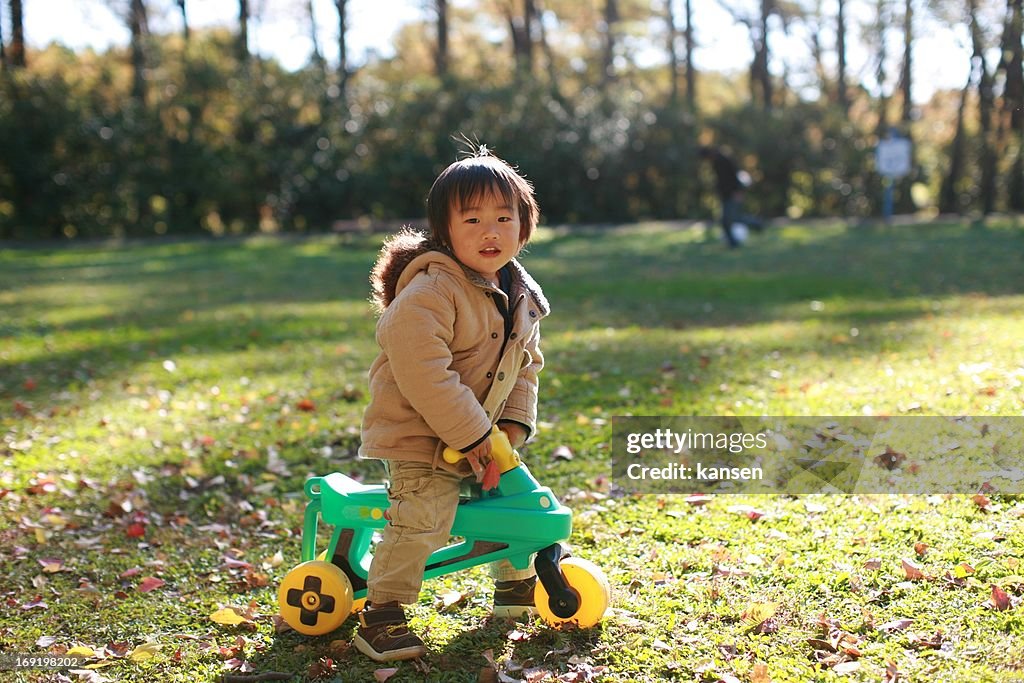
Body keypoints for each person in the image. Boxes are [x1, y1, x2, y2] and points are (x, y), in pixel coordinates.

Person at [354, 145, 548, 662]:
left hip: (482, 433)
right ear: (444, 229)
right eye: (473, 219)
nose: (491, 231)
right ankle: (384, 612)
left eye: (504, 218)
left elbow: (525, 365)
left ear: (524, 228)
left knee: (508, 505)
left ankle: (515, 586)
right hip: (419, 433)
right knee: (421, 517)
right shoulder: (432, 289)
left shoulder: (520, 293)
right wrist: (475, 435)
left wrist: (509, 427)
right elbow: (423, 372)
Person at [698, 145, 764, 248]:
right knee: (731, 218)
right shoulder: (715, 162)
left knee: (729, 219)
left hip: (732, 194)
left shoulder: (723, 160)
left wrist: (738, 191)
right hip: (725, 195)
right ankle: (737, 238)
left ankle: (755, 225)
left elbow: (733, 177)